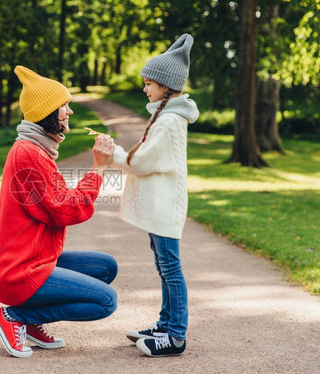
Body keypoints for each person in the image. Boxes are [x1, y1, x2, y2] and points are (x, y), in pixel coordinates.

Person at [0, 65, 118, 358]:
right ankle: (16, 317)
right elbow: (67, 210)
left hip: (32, 260)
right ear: (46, 112)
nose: (69, 112)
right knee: (106, 302)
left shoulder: (37, 150)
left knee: (106, 267)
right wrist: (99, 169)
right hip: (15, 271)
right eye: (63, 106)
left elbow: (60, 200)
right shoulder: (28, 154)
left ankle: (32, 321)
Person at [109, 34, 199, 357]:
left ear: (165, 85)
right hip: (159, 207)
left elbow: (144, 161)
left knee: (171, 268)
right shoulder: (165, 115)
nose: (145, 89)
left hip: (165, 208)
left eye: (149, 83)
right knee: (163, 267)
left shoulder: (171, 121)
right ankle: (165, 323)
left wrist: (113, 155)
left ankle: (176, 335)